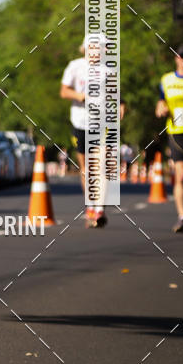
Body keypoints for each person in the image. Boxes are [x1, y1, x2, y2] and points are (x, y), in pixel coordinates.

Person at [60, 36, 124, 227]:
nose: (98, 50)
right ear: (86, 48)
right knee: (87, 169)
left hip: (101, 124)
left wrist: (121, 104)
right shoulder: (75, 66)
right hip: (80, 122)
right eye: (95, 47)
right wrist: (80, 96)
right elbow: (64, 91)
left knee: (102, 165)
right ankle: (91, 205)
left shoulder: (108, 69)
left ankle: (100, 209)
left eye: (102, 47)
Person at [155, 43, 183, 232]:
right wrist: (161, 109)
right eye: (181, 57)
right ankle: (182, 217)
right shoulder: (166, 80)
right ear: (176, 58)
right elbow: (161, 103)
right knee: (181, 174)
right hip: (177, 133)